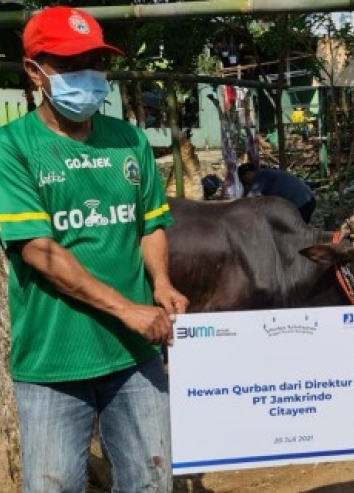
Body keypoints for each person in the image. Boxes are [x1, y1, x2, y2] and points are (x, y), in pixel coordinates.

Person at [0, 6, 189, 491]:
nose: (86, 75)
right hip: (53, 362)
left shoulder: (128, 140)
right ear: (33, 70)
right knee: (52, 486)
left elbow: (151, 224)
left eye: (94, 61)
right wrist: (129, 309)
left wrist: (162, 283)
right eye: (68, 63)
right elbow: (39, 251)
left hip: (135, 356)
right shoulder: (13, 148)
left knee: (152, 481)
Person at [238, 163, 316, 224]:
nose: (247, 184)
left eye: (245, 181)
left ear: (248, 174)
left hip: (301, 203)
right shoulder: (267, 173)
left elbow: (250, 199)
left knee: (293, 233)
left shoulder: (259, 176)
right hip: (308, 199)